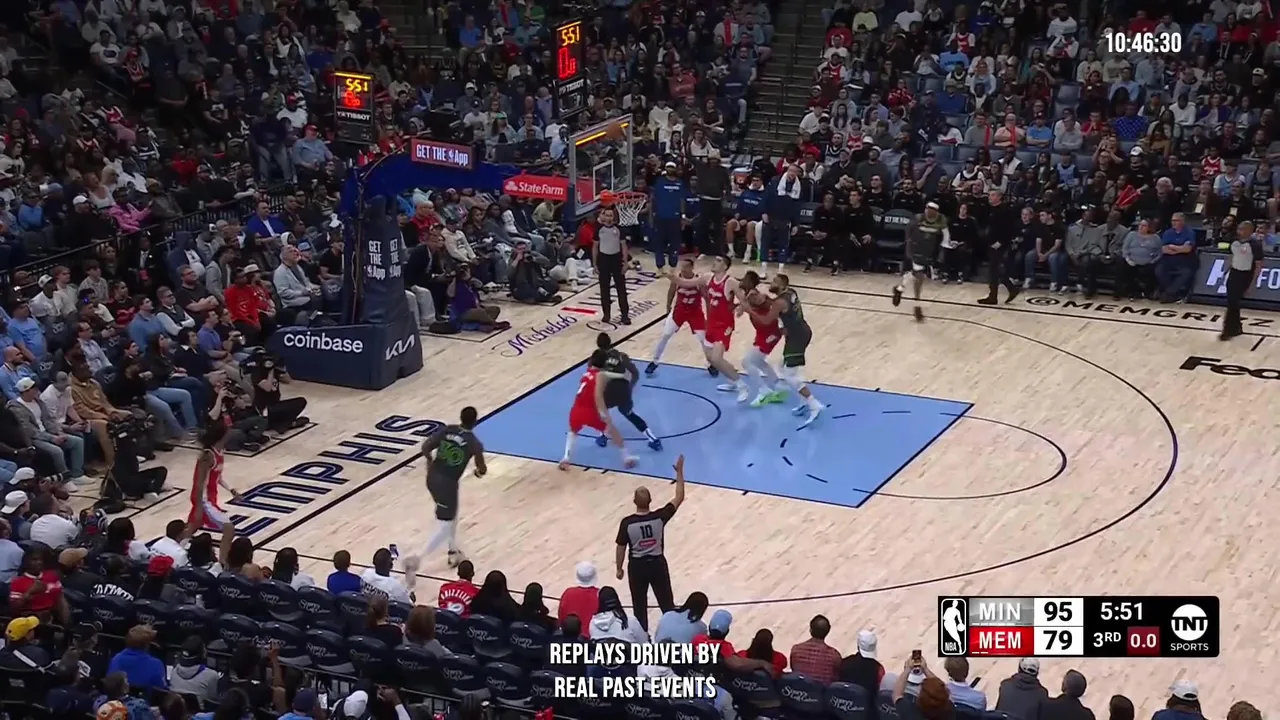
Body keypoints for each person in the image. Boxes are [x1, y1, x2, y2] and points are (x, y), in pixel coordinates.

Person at [403, 406, 487, 578]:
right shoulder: (474, 444)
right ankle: (417, 558)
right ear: (475, 421)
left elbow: (426, 446)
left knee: (451, 514)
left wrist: (429, 460)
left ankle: (453, 551)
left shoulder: (448, 429)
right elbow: (482, 468)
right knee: (445, 524)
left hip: (432, 477)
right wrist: (479, 472)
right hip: (447, 484)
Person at [615, 455, 686, 631]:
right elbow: (679, 497)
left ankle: (642, 639)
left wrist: (619, 568)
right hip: (657, 564)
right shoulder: (659, 517)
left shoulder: (627, 523)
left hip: (637, 567)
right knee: (667, 604)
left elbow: (621, 547)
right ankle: (673, 633)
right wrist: (679, 472)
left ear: (634, 502)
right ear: (650, 501)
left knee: (639, 607)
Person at [560, 349, 636, 470]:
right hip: (590, 411)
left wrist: (621, 376)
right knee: (612, 430)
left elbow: (605, 375)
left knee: (573, 431)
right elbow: (598, 395)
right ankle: (627, 457)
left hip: (576, 409)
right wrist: (604, 413)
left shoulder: (587, 372)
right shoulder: (600, 376)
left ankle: (566, 457)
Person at [645, 256, 716, 376]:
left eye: (685, 267)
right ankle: (654, 361)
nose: (683, 269)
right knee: (665, 335)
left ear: (691, 268)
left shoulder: (698, 281)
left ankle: (711, 364)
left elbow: (707, 299)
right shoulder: (677, 279)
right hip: (679, 311)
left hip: (695, 313)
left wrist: (710, 316)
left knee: (704, 339)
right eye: (682, 266)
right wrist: (668, 305)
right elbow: (671, 291)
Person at [594, 333, 661, 451]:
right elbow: (635, 373)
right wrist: (630, 388)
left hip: (608, 392)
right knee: (629, 414)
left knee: (600, 410)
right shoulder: (621, 356)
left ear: (598, 345)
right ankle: (653, 439)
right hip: (623, 392)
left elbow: (593, 375)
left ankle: (602, 435)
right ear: (610, 342)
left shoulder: (597, 358)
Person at [736, 272, 785, 407]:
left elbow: (767, 304)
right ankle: (777, 385)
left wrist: (748, 306)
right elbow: (741, 308)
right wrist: (741, 306)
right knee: (757, 361)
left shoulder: (756, 296)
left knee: (747, 362)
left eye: (744, 279)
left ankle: (764, 390)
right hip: (762, 333)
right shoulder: (749, 296)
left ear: (749, 282)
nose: (741, 281)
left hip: (771, 332)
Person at [894, 201, 949, 321]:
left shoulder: (941, 220)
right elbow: (908, 234)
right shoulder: (918, 219)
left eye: (931, 210)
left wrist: (943, 249)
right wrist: (909, 249)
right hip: (916, 249)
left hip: (929, 250)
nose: (928, 211)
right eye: (927, 209)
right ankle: (917, 307)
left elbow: (946, 236)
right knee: (919, 277)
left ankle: (900, 288)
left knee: (917, 275)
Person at [704, 256, 749, 400]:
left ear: (725, 266)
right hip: (711, 323)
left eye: (718, 261)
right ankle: (732, 378)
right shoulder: (708, 278)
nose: (714, 262)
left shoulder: (731, 281)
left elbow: (743, 298)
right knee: (711, 358)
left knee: (717, 358)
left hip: (724, 324)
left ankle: (742, 385)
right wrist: (674, 277)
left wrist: (741, 308)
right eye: (715, 259)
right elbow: (688, 282)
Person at [186, 423, 239, 534]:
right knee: (228, 528)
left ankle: (178, 542)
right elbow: (199, 483)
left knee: (192, 527)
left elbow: (217, 477)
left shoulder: (220, 451)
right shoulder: (208, 456)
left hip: (211, 496)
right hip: (203, 499)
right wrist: (200, 506)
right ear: (222, 436)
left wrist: (231, 490)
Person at [1221, 220, 1264, 340]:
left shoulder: (1255, 245)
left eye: (1242, 229)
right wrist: (1226, 270)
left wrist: (1253, 283)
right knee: (1232, 302)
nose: (1239, 231)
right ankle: (1236, 327)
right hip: (1233, 273)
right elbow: (1232, 256)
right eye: (1239, 229)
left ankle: (1228, 329)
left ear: (1249, 231)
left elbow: (1259, 264)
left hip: (1245, 275)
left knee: (1233, 302)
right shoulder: (1234, 241)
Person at [592, 206, 631, 325]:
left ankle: (625, 315)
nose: (609, 218)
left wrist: (625, 263)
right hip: (604, 260)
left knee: (621, 289)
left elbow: (624, 247)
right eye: (607, 215)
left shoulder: (619, 230)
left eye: (611, 216)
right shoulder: (598, 230)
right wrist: (595, 264)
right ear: (603, 217)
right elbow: (595, 247)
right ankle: (606, 314)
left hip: (616, 260)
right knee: (604, 289)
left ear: (614, 217)